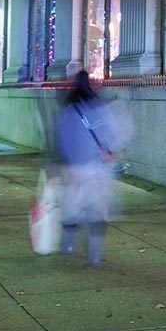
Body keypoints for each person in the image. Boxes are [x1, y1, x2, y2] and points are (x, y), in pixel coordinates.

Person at [51, 70, 127, 266]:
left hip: (74, 168)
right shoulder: (101, 108)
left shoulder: (69, 110)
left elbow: (63, 138)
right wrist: (109, 151)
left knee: (71, 208)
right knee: (97, 211)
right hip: (97, 168)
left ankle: (68, 245)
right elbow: (112, 133)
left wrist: (64, 163)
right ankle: (95, 255)